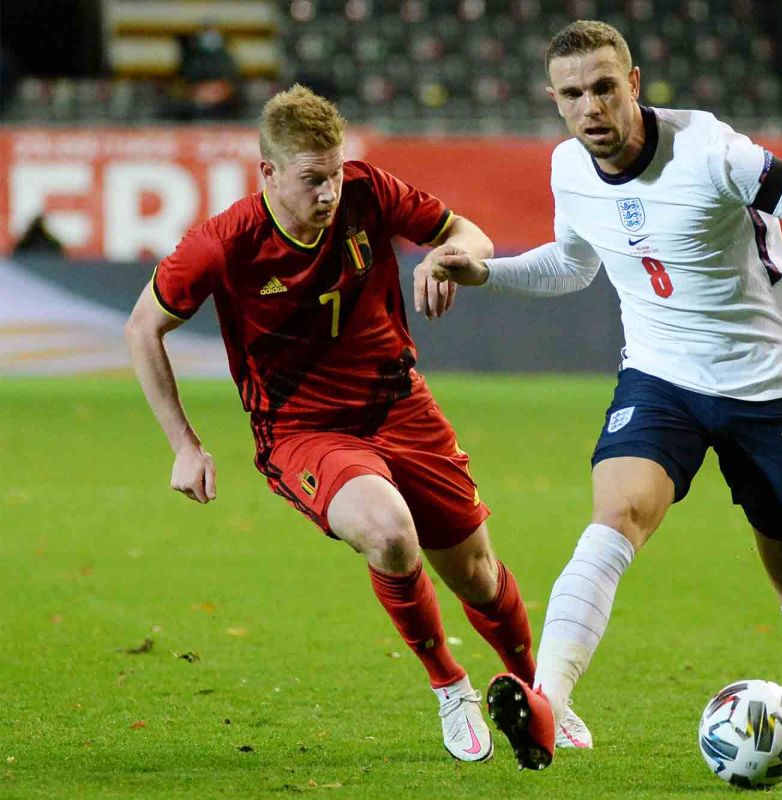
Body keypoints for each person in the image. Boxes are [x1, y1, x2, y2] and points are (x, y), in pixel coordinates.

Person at [426, 21, 782, 771]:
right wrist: (487, 271)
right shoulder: (568, 169)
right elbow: (573, 264)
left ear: (635, 83)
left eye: (603, 87)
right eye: (572, 94)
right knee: (615, 516)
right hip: (660, 380)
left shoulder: (714, 154)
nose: (590, 107)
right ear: (554, 101)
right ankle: (549, 702)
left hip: (764, 390)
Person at [124, 84, 590, 762]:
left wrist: (449, 257)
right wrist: (184, 445)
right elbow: (144, 327)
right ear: (268, 174)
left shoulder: (369, 192)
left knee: (479, 575)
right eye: (313, 179)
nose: (329, 192)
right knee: (388, 532)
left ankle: (538, 690)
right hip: (304, 432)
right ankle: (449, 685)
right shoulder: (225, 244)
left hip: (401, 405)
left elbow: (466, 232)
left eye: (336, 172)